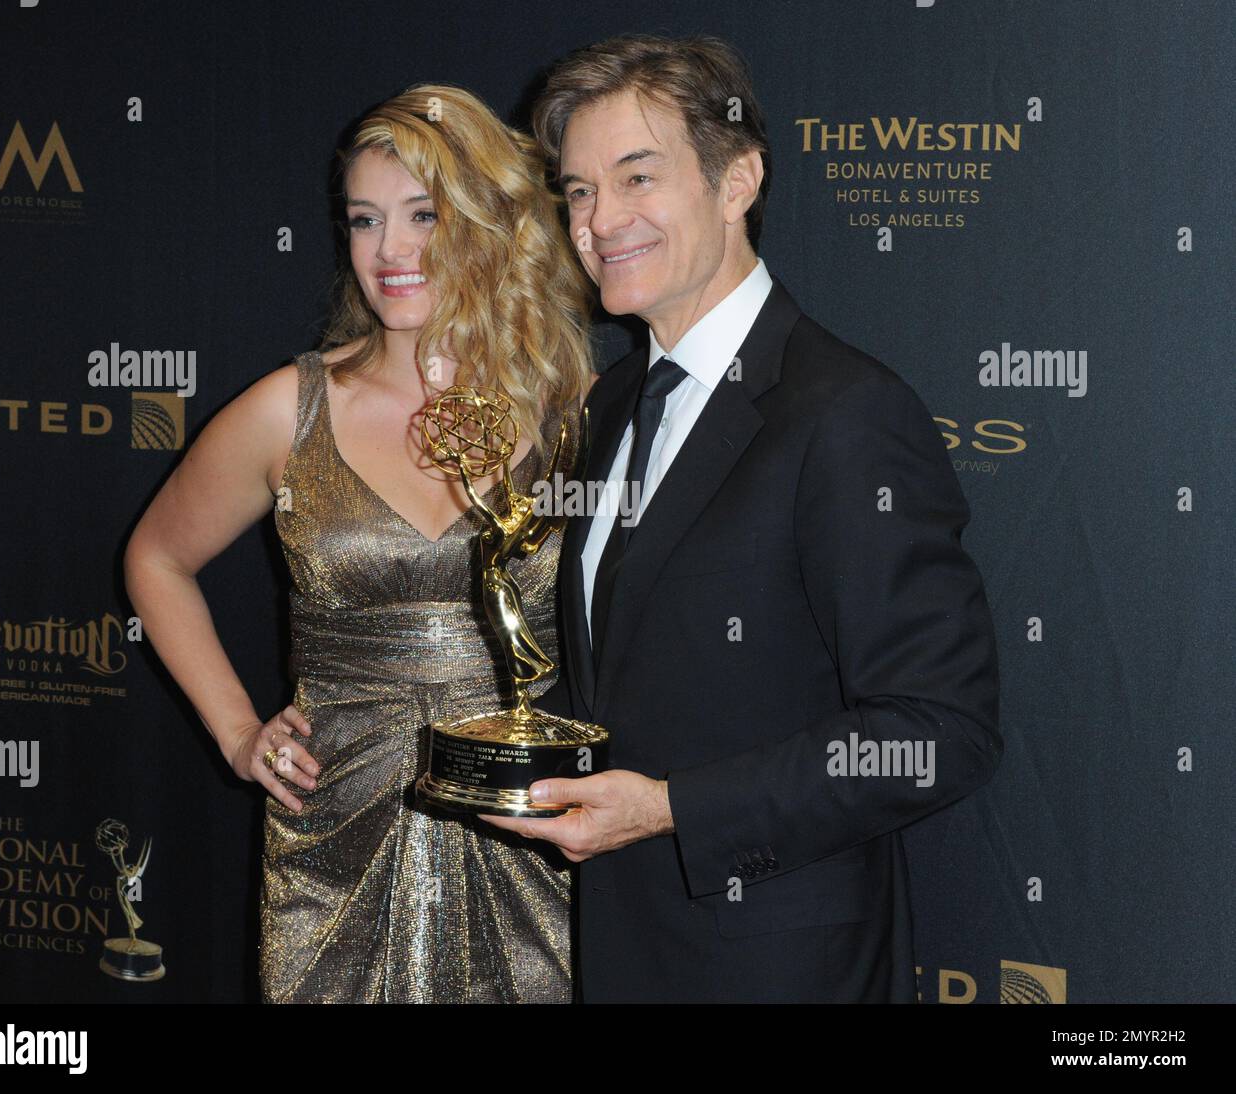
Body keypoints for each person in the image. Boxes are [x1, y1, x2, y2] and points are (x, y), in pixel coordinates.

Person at [481, 34, 1003, 1003]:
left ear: (738, 180)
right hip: (622, 939)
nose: (599, 220)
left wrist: (674, 808)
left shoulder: (844, 412)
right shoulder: (609, 403)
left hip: (778, 960)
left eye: (638, 177)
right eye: (580, 190)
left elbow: (938, 729)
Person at [123, 83, 595, 1002]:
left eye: (424, 215)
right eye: (364, 220)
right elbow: (156, 558)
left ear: (485, 222)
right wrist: (235, 731)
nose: (392, 251)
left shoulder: (569, 410)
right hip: (336, 827)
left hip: (526, 827)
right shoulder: (286, 410)